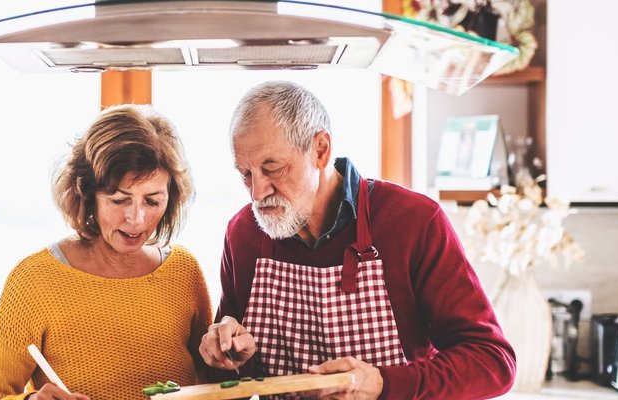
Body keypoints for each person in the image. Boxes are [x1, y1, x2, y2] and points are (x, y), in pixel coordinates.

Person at [198, 81, 515, 399]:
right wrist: (229, 357)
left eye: (273, 168)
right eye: (246, 174)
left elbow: (493, 362)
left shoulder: (413, 222)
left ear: (320, 150)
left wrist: (383, 384)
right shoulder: (244, 233)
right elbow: (235, 381)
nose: (258, 192)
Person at [0, 104, 211, 400]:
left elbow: (216, 383)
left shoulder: (184, 272)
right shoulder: (33, 281)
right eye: (118, 200)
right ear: (87, 195)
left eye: (152, 201)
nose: (136, 219)